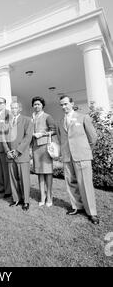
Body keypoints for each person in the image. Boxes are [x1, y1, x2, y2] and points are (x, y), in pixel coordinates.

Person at [57, 95, 99, 224]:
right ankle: (77, 206)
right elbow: (61, 139)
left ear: (72, 103)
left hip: (82, 156)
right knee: (71, 182)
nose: (64, 107)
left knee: (85, 184)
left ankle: (92, 212)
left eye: (66, 104)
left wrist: (85, 151)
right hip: (67, 156)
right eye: (62, 105)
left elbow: (93, 138)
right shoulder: (60, 122)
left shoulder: (83, 117)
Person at [2, 102, 33, 211]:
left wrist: (18, 150)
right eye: (12, 108)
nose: (13, 109)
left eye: (15, 107)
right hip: (10, 155)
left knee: (24, 179)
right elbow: (3, 138)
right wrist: (7, 151)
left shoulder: (27, 120)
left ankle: (26, 201)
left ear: (20, 109)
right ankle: (16, 199)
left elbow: (28, 137)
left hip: (21, 155)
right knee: (13, 178)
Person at [31, 96, 56, 207]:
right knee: (39, 173)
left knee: (48, 173)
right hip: (35, 147)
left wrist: (42, 134)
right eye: (35, 104)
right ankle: (42, 196)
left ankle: (49, 197)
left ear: (42, 105)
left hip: (45, 147)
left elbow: (54, 130)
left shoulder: (47, 116)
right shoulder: (32, 117)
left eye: (39, 104)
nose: (37, 106)